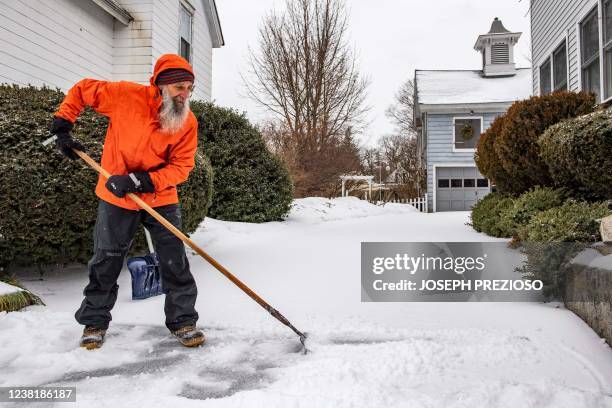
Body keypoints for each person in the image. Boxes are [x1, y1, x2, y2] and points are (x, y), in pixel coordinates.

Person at [50, 54, 204, 349]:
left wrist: (142, 181)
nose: (185, 95)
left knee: (174, 260)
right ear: (160, 85)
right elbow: (83, 89)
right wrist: (63, 126)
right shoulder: (124, 96)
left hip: (160, 196)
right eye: (179, 88)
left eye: (189, 88)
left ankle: (183, 320)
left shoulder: (187, 122)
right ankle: (94, 321)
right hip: (116, 197)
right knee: (106, 259)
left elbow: (182, 166)